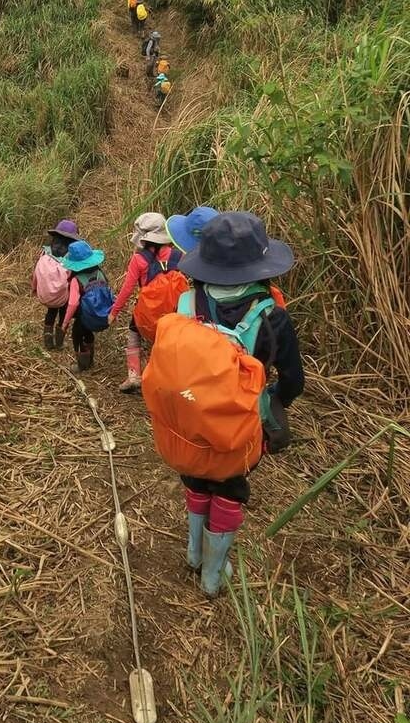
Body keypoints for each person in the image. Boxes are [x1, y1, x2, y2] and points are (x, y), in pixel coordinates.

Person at [142, 212, 302, 597]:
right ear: (260, 266)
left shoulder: (185, 301)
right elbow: (294, 381)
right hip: (237, 428)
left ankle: (194, 553)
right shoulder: (272, 317)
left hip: (188, 423)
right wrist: (275, 401)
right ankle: (213, 575)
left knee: (197, 478)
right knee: (230, 487)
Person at [107, 212, 185, 392]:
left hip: (147, 311)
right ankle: (165, 379)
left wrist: (113, 312)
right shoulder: (177, 255)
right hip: (174, 310)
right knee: (167, 342)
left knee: (134, 333)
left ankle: (134, 376)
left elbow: (127, 289)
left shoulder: (139, 259)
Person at [61, 239, 113, 371]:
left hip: (84, 316)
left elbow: (73, 304)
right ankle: (90, 361)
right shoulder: (100, 273)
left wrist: (65, 323)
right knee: (88, 333)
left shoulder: (76, 280)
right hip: (100, 313)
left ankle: (82, 364)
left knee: (77, 334)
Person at [32, 220, 79, 350]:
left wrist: (34, 287)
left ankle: (48, 340)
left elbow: (37, 271)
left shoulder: (47, 252)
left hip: (50, 294)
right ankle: (59, 342)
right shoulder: (70, 255)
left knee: (51, 312)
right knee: (63, 315)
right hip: (64, 295)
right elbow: (74, 276)